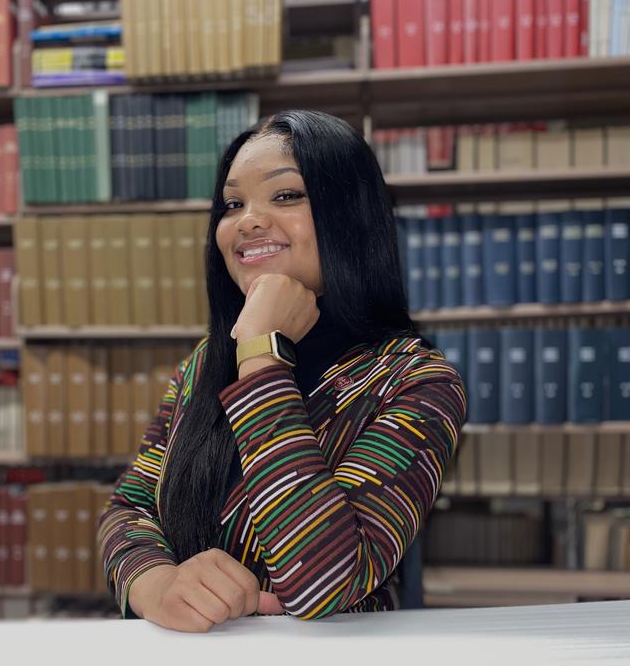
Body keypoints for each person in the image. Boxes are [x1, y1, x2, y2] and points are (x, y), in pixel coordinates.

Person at [98, 109, 466, 632]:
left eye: (286, 195)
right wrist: (156, 584)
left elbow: (324, 581)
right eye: (232, 203)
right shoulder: (203, 364)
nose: (248, 220)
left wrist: (261, 355)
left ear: (349, 215)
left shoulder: (416, 382)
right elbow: (129, 508)